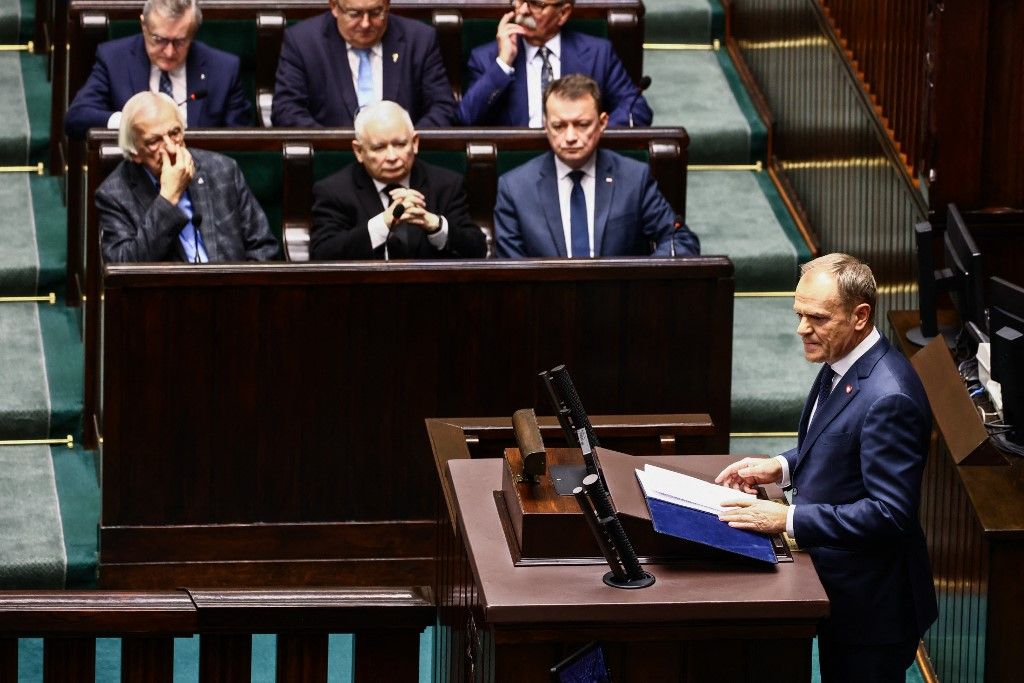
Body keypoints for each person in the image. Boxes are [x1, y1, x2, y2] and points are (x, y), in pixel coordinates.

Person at [715, 254, 938, 683]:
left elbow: (889, 514)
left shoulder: (890, 397)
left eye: (816, 317)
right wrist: (781, 467)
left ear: (859, 316)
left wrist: (788, 517)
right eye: (799, 314)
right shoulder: (844, 361)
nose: (802, 329)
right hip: (840, 585)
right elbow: (838, 441)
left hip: (873, 609)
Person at [493, 75, 698, 258]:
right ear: (546, 126)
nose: (570, 137)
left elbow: (680, 240)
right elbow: (511, 271)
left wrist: (639, 282)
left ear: (602, 123)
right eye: (559, 126)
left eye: (582, 124)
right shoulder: (515, 188)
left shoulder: (634, 178)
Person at [97, 92, 278, 263]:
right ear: (134, 152)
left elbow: (263, 247)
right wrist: (167, 199)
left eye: (174, 133)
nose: (170, 147)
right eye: (154, 141)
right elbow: (125, 267)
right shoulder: (114, 194)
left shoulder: (222, 170)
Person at [311, 101, 486, 260]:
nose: (392, 157)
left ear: (415, 143)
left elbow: (477, 250)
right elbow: (322, 254)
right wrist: (384, 222)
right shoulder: (333, 190)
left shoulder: (446, 184)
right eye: (379, 148)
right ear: (358, 151)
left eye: (400, 145)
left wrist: (436, 225)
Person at [65, 0, 250, 140]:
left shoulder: (223, 69)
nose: (169, 52)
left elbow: (242, 143)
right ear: (144, 26)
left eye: (179, 42)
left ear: (193, 33)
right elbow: (77, 117)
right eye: (159, 40)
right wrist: (130, 122)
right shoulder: (114, 59)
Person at [459, 0, 651, 127]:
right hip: (515, 172)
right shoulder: (488, 57)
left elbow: (637, 109)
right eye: (519, 1)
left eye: (536, 4)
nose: (523, 10)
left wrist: (590, 132)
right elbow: (465, 119)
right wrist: (503, 64)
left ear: (563, 13)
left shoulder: (598, 53)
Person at [272, 0, 456, 127]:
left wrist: (403, 142)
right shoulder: (303, 42)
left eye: (376, 12)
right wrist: (339, 144)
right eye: (355, 14)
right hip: (334, 164)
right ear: (334, 6)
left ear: (388, 5)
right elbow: (286, 111)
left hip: (402, 158)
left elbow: (443, 107)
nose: (366, 24)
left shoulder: (420, 39)